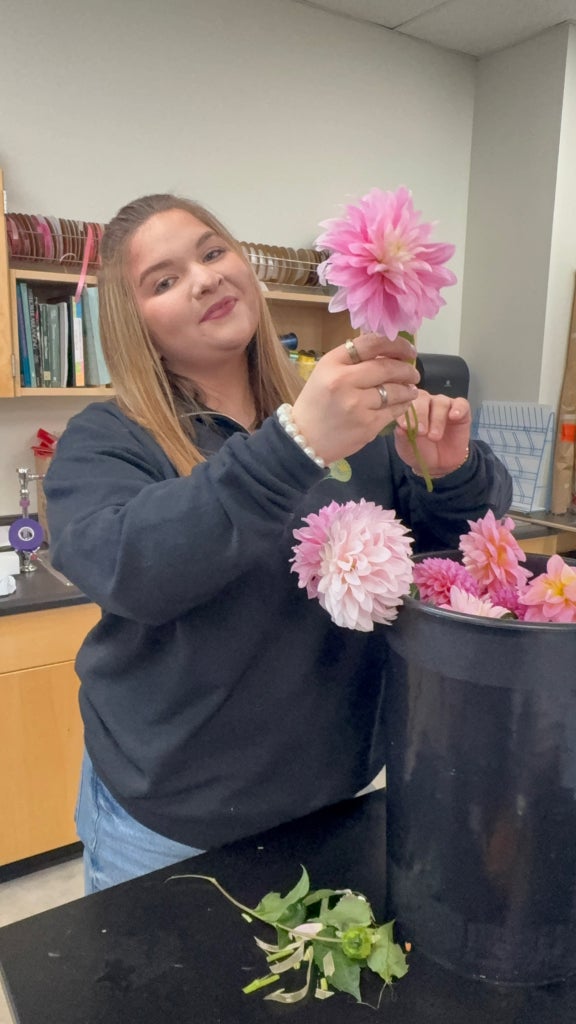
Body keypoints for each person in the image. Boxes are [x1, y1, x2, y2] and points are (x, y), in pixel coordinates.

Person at [44, 193, 512, 894]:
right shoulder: (106, 440)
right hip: (168, 827)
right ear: (134, 322)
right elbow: (130, 566)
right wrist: (297, 445)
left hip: (331, 801)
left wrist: (451, 472)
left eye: (212, 252)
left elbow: (451, 550)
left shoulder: (342, 413)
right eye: (164, 281)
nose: (204, 279)